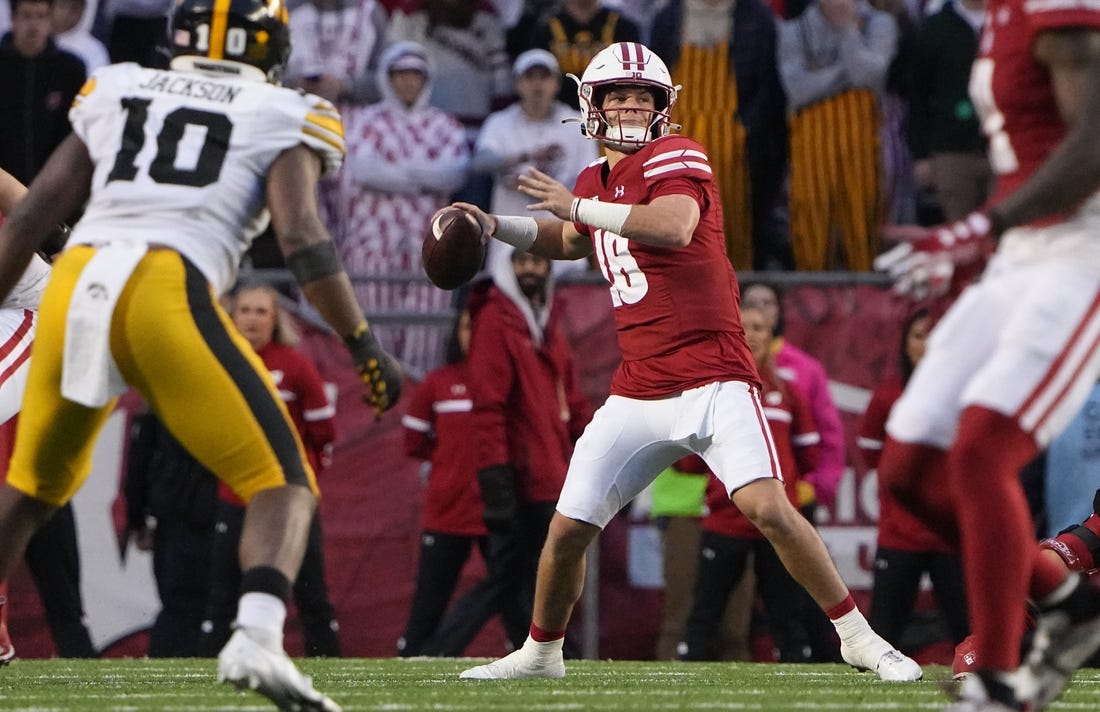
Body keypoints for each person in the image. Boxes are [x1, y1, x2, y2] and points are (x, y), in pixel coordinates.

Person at [453, 41, 920, 682]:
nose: (628, 106)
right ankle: (541, 652)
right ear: (590, 105)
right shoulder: (592, 180)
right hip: (640, 386)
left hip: (713, 376)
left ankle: (858, 638)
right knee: (566, 531)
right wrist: (492, 224)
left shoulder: (678, 153)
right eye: (616, 95)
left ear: (662, 108)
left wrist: (580, 208)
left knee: (768, 508)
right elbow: (569, 237)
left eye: (641, 97)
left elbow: (670, 226)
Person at [0, 0, 401, 708]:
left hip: (77, 280)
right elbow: (304, 236)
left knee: (30, 492)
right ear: (270, 44)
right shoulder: (286, 108)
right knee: (284, 481)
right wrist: (363, 342)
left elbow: (33, 216)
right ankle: (256, 637)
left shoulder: (121, 85)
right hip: (166, 283)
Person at [872, 0, 1100, 705]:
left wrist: (980, 224)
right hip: (1017, 254)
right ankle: (1068, 603)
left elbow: (1094, 144)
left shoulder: (1056, 7)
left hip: (1076, 249)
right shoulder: (990, 16)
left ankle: (998, 678)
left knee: (980, 452)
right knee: (907, 469)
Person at [424, 249, 593, 656]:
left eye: (539, 261)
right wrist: (497, 479)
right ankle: (441, 650)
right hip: (523, 475)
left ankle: (536, 653)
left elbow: (567, 401)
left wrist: (591, 447)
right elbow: (489, 406)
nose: (531, 269)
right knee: (518, 575)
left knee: (521, 577)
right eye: (522, 261)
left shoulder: (543, 320)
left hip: (547, 469)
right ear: (507, 266)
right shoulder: (497, 319)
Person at [677, 305, 835, 664]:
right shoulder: (711, 393)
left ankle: (797, 678)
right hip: (725, 519)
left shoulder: (789, 392)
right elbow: (688, 462)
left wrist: (800, 488)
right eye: (744, 326)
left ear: (772, 336)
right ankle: (687, 668)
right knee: (705, 611)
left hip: (777, 524)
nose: (752, 334)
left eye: (760, 327)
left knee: (787, 613)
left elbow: (808, 456)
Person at [200, 283, 341, 658]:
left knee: (311, 592)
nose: (252, 318)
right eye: (245, 309)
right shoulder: (219, 361)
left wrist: (305, 482)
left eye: (261, 311)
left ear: (275, 319)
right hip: (236, 495)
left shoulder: (295, 365)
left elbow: (323, 432)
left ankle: (329, 664)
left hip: (289, 497)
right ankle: (212, 669)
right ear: (233, 316)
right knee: (222, 596)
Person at [326, 40, 469, 377]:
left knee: (426, 337)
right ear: (387, 78)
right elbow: (363, 170)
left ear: (425, 79)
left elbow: (454, 173)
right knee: (374, 331)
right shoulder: (363, 120)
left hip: (429, 246)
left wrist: (397, 173)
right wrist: (424, 176)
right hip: (372, 243)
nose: (408, 82)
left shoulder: (444, 124)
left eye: (415, 75)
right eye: (400, 75)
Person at [858, 307, 970, 655]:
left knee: (971, 635)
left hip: (952, 536)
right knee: (883, 636)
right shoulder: (889, 396)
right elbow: (871, 455)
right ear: (905, 345)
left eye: (936, 333)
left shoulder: (967, 396)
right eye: (920, 335)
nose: (928, 343)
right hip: (899, 534)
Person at [649, 0, 790, 270]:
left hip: (735, 144)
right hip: (678, 140)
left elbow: (768, 88)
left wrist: (745, 131)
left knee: (732, 227)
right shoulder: (668, 18)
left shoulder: (757, 18)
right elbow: (655, 84)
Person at [396, 307, 494, 656]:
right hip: (447, 510)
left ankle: (543, 659)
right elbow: (414, 443)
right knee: (429, 600)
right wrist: (450, 465)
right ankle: (415, 656)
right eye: (468, 326)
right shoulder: (437, 383)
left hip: (498, 510)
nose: (474, 335)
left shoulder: (507, 379)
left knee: (515, 596)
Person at [777, 0, 897, 271]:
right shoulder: (793, 30)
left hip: (864, 151)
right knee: (812, 226)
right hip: (812, 152)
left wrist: (846, 30)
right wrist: (846, 75)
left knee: (864, 223)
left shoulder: (880, 24)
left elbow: (868, 76)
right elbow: (798, 90)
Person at [473, 48, 598, 279]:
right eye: (530, 78)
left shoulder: (577, 125)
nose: (537, 85)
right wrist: (524, 157)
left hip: (563, 243)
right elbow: (480, 163)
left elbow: (591, 183)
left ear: (556, 84)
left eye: (544, 77)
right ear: (518, 84)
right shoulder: (500, 123)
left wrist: (537, 187)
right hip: (510, 240)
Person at [740, 281, 846, 514]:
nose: (760, 309)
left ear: (779, 311)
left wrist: (818, 485)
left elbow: (828, 433)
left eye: (768, 303)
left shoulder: (805, 369)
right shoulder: (722, 367)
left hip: (791, 497)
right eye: (750, 303)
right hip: (734, 501)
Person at [123, 408, 218, 658]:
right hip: (222, 516)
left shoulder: (161, 397)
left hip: (176, 516)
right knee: (219, 608)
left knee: (179, 607)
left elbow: (139, 460)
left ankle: (164, 672)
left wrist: (137, 520)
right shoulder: (233, 391)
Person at [0, 0, 86, 185]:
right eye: (27, 16)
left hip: (52, 190)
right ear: (13, 19)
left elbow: (75, 134)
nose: (34, 25)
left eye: (41, 16)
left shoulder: (71, 70)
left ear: (50, 19)